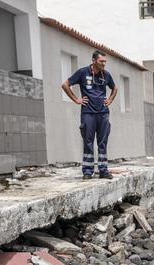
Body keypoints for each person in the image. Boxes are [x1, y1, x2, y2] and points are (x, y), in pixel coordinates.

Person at [62, 50, 118, 179]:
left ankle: (103, 171)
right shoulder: (83, 72)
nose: (104, 64)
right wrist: (76, 99)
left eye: (105, 61)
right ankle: (87, 171)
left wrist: (110, 99)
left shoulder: (106, 75)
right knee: (88, 142)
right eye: (101, 61)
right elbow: (65, 85)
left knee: (102, 142)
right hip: (88, 113)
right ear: (93, 61)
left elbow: (115, 88)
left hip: (103, 113)